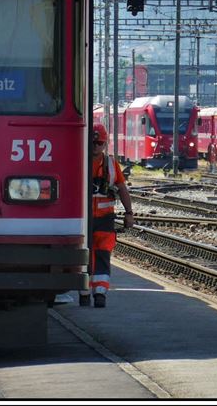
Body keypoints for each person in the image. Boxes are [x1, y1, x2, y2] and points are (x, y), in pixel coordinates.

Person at [80, 123, 134, 308]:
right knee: (83, 257)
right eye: (93, 142)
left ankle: (100, 293)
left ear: (105, 144)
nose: (95, 145)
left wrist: (129, 213)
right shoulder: (78, 161)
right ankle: (84, 292)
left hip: (104, 218)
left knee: (102, 254)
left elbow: (122, 189)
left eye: (99, 142)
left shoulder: (111, 165)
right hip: (83, 219)